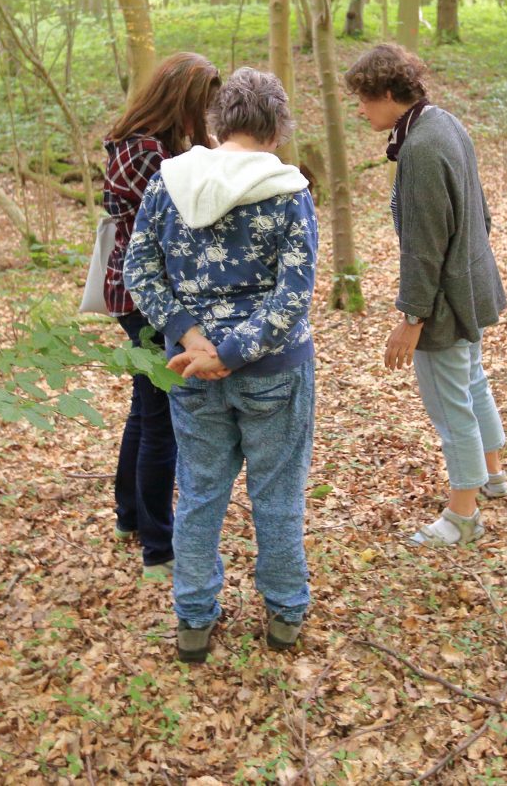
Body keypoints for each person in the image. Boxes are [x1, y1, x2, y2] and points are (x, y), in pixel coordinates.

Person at [123, 67, 318, 663]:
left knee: (202, 494)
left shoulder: (168, 183)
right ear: (278, 128)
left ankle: (194, 621)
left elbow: (138, 273)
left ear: (216, 122)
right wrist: (227, 352)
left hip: (189, 370)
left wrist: (192, 339)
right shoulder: (289, 192)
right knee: (277, 495)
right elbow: (292, 297)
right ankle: (284, 614)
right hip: (274, 372)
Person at [345, 43, 507, 547]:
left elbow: (423, 248)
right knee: (473, 382)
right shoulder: (444, 122)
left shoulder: (420, 148)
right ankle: (493, 476)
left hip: (446, 299)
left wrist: (411, 318)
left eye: (365, 99)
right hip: (472, 285)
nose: (359, 109)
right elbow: (480, 214)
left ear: (391, 94)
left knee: (450, 402)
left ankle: (463, 515)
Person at [102, 52, 222, 579]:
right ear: (183, 102)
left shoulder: (148, 143)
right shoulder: (148, 151)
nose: (208, 117)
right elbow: (194, 213)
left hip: (139, 296)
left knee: (144, 408)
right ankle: (159, 546)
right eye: (204, 106)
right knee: (161, 424)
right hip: (145, 299)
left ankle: (130, 516)